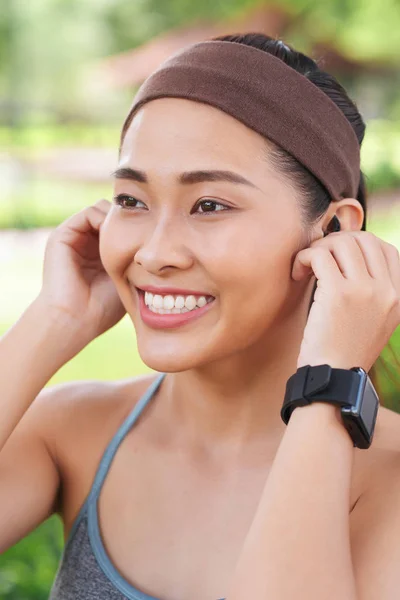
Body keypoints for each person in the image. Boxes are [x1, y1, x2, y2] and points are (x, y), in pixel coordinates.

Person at [0, 32, 400, 600]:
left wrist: (330, 386)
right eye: (132, 200)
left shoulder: (389, 480)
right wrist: (53, 319)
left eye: (210, 205)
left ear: (334, 230)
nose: (155, 252)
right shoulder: (76, 432)